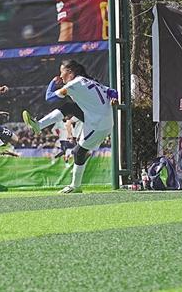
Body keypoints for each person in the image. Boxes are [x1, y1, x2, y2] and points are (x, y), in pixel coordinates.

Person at [22, 59, 117, 193]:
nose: (60, 76)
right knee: (69, 107)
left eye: (61, 72)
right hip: (101, 119)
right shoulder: (89, 81)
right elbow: (112, 91)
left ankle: (75, 186)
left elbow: (49, 97)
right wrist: (114, 97)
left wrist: (53, 83)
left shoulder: (74, 84)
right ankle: (38, 125)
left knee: (78, 152)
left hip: (98, 124)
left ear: (70, 72)